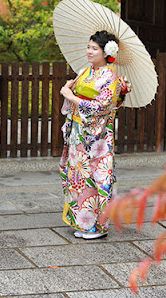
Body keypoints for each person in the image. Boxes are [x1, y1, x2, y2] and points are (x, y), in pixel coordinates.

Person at [59, 30, 131, 239]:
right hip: (79, 133)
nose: (89, 51)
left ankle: (99, 226)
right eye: (88, 47)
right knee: (79, 177)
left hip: (97, 137)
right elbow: (73, 95)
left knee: (97, 177)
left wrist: (71, 97)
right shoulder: (85, 71)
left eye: (94, 48)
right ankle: (84, 223)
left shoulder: (110, 76)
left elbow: (101, 106)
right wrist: (68, 89)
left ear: (107, 52)